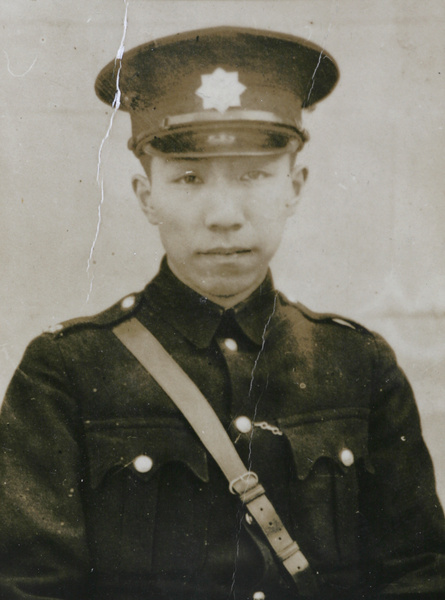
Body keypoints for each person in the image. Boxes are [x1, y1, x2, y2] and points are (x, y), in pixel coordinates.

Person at [0, 25, 444, 600]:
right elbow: (30, 587)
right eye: (188, 178)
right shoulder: (65, 372)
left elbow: (420, 572)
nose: (224, 215)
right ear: (145, 196)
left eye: (254, 175)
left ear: (295, 186)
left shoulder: (358, 364)